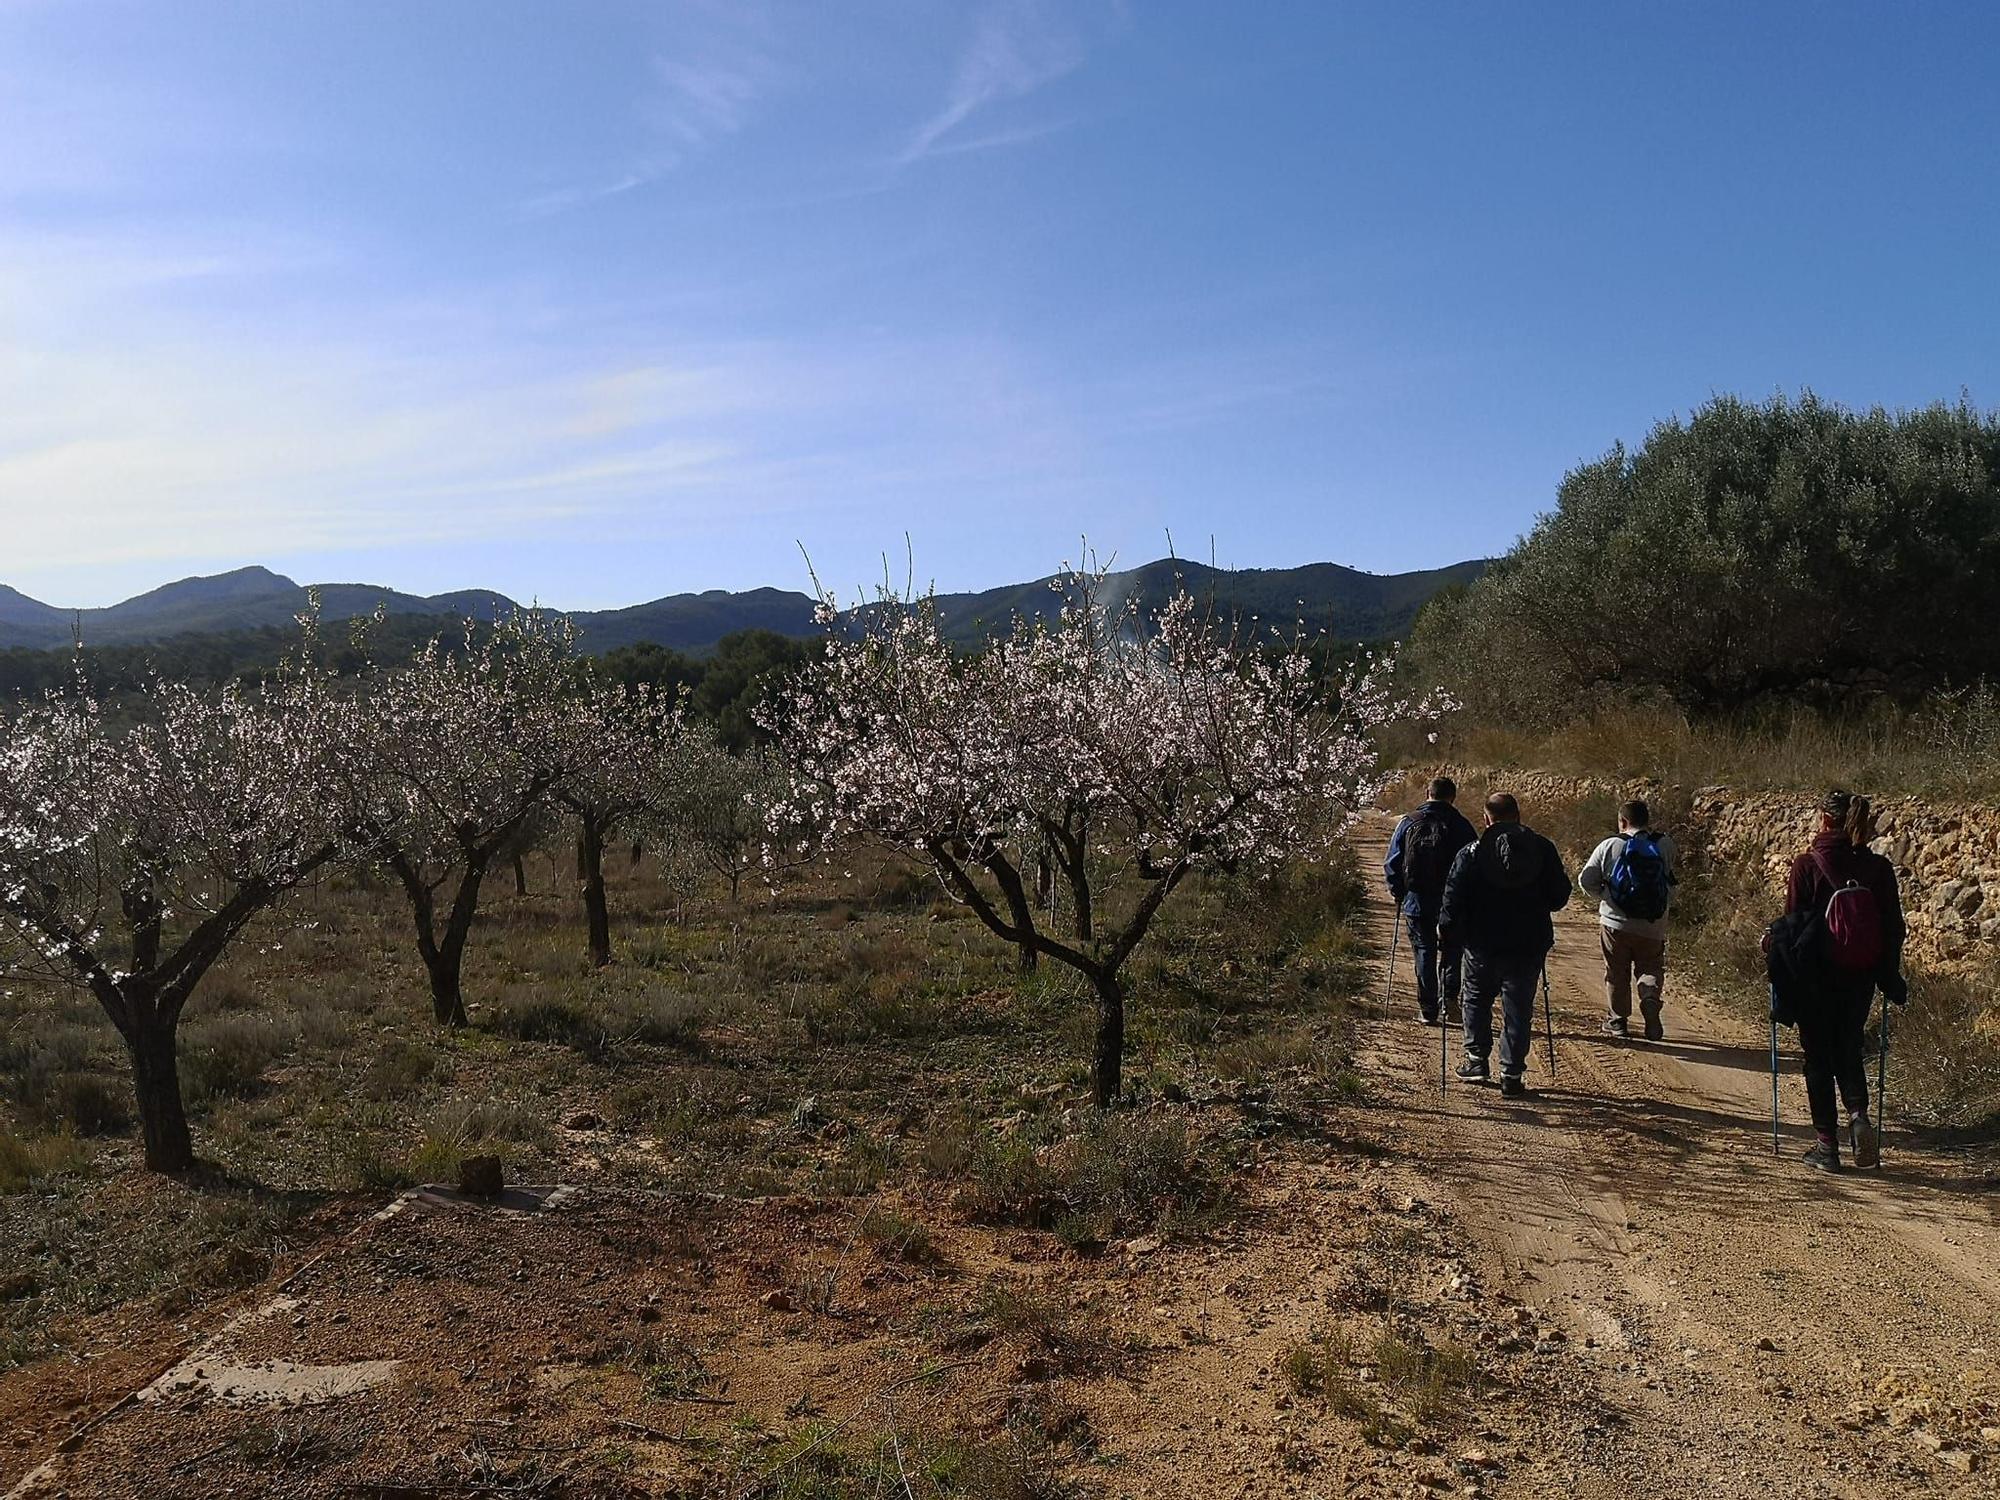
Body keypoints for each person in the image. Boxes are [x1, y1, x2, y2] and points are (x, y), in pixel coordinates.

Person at [1783, 790, 1907, 1172]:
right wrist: (1887, 974)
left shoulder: (1807, 865)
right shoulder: (1879, 869)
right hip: (1860, 975)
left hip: (1815, 979)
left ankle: (1826, 1146)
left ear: (1824, 819)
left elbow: (1792, 924)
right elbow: (1893, 928)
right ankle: (1858, 1117)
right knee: (1849, 1047)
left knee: (1818, 1057)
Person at [1438, 792, 1573, 1097]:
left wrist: (1447, 933)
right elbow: (1559, 897)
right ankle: (1511, 1074)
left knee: (1475, 998)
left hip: (1481, 943)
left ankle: (1476, 1060)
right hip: (1528, 944)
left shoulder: (1471, 853)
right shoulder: (1542, 849)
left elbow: (1452, 898)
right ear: (1519, 815)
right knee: (1518, 1007)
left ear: (1487, 819)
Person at [1576, 799, 1678, 1041]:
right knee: (1651, 966)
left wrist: (1607, 896)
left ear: (1622, 821)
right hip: (1654, 923)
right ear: (1647, 820)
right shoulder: (1665, 844)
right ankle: (1650, 996)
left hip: (1615, 923)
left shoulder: (1610, 845)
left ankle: (1618, 1021)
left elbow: (1586, 879)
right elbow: (1669, 880)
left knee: (1616, 971)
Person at [1384, 776, 1478, 1026]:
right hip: (1453, 902)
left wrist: (1398, 892)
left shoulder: (1409, 822)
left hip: (1417, 900)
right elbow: (1474, 865)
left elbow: (1392, 862)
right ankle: (1448, 999)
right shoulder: (1462, 826)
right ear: (1453, 797)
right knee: (1452, 950)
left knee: (1423, 951)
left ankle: (1427, 1009)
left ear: (1427, 793)